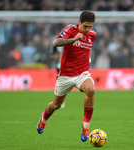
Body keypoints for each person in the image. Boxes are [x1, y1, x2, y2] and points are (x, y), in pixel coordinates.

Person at [36, 10, 97, 142]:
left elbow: (88, 48)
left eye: (90, 27)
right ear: (79, 22)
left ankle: (86, 126)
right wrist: (73, 39)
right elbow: (56, 43)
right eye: (85, 26)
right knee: (56, 105)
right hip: (65, 75)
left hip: (82, 73)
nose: (87, 29)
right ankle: (44, 118)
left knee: (91, 90)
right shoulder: (71, 29)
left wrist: (88, 60)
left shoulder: (92, 35)